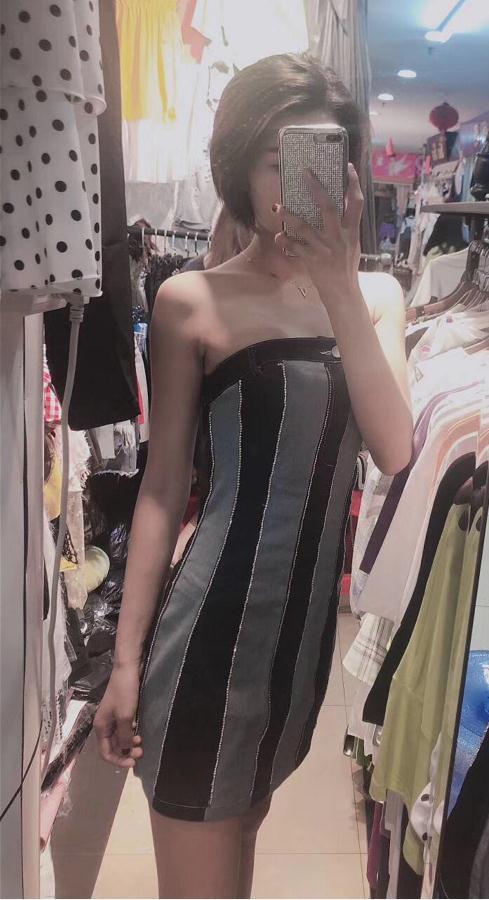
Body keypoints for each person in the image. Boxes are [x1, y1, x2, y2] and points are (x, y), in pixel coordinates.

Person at [94, 53, 413, 899]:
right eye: (278, 161)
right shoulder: (190, 300)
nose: (296, 184)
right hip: (206, 641)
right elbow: (162, 490)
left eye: (320, 159)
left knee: (237, 858)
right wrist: (123, 664)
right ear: (239, 167)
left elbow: (396, 453)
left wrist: (337, 284)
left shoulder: (376, 298)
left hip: (297, 655)